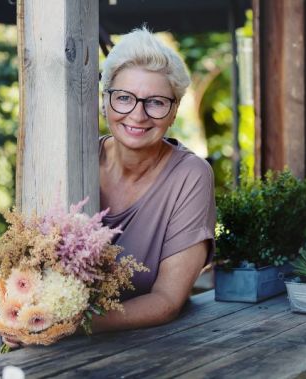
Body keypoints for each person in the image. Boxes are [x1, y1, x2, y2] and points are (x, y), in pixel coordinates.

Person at [92, 27, 216, 332]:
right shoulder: (77, 159)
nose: (138, 115)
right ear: (105, 101)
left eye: (156, 102)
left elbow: (167, 300)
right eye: (124, 98)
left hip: (149, 353)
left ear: (173, 112)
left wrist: (76, 325)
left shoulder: (190, 177)